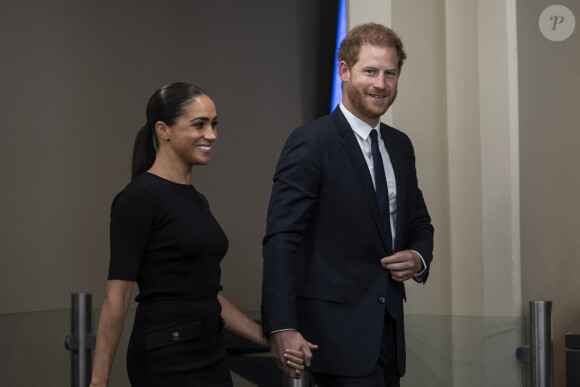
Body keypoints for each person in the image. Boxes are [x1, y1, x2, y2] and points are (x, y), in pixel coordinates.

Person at [90, 83, 310, 386]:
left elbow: (207, 295)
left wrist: (270, 338)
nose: (212, 134)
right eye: (199, 124)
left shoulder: (196, 200)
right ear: (163, 130)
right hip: (165, 356)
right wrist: (98, 382)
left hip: (209, 351)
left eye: (213, 124)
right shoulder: (138, 197)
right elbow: (118, 296)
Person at [261, 23, 434, 386]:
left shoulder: (400, 146)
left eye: (390, 73)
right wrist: (281, 326)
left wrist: (418, 257)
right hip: (332, 339)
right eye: (370, 71)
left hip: (389, 336)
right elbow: (282, 239)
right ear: (344, 71)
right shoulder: (311, 142)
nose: (381, 84)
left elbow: (420, 223)